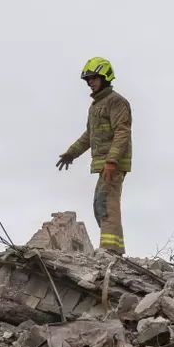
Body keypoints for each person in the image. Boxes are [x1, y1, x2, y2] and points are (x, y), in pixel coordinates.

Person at [56, 57, 132, 254]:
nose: (90, 83)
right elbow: (90, 136)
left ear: (105, 77)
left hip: (112, 164)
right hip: (103, 164)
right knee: (100, 205)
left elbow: (122, 132)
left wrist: (112, 161)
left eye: (93, 78)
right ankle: (113, 249)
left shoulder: (116, 101)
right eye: (88, 80)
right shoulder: (96, 106)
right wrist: (71, 153)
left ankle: (110, 251)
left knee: (107, 204)